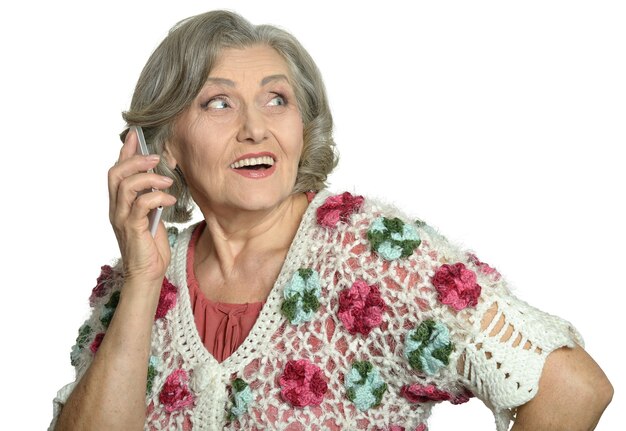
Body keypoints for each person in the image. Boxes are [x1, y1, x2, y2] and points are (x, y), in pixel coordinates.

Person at [49, 10, 612, 431]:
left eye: (277, 100)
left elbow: (571, 388)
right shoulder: (138, 280)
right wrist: (143, 282)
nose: (255, 128)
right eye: (219, 103)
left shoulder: (368, 256)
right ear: (165, 144)